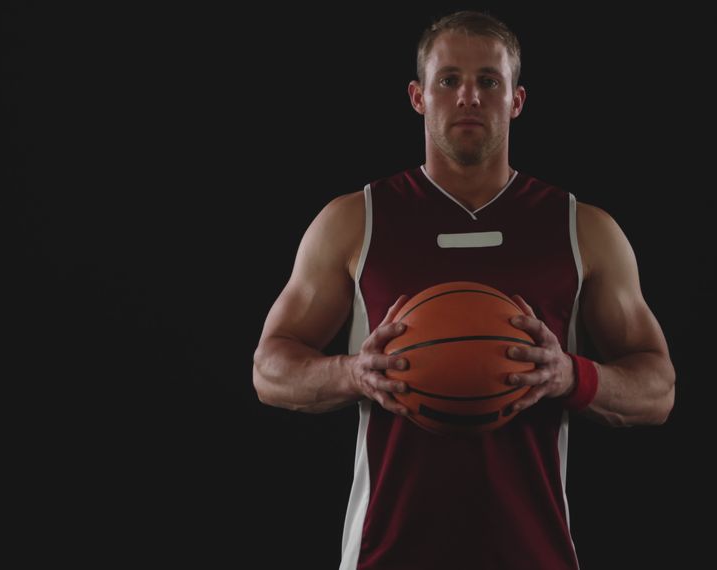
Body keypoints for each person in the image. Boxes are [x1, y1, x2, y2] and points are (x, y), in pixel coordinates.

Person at [252, 10, 675, 570]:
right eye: (449, 80)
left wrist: (571, 375)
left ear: (516, 100)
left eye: (488, 81)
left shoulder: (582, 229)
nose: (469, 97)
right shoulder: (356, 220)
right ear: (418, 97)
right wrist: (351, 373)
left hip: (534, 553)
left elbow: (658, 389)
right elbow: (268, 370)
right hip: (386, 553)